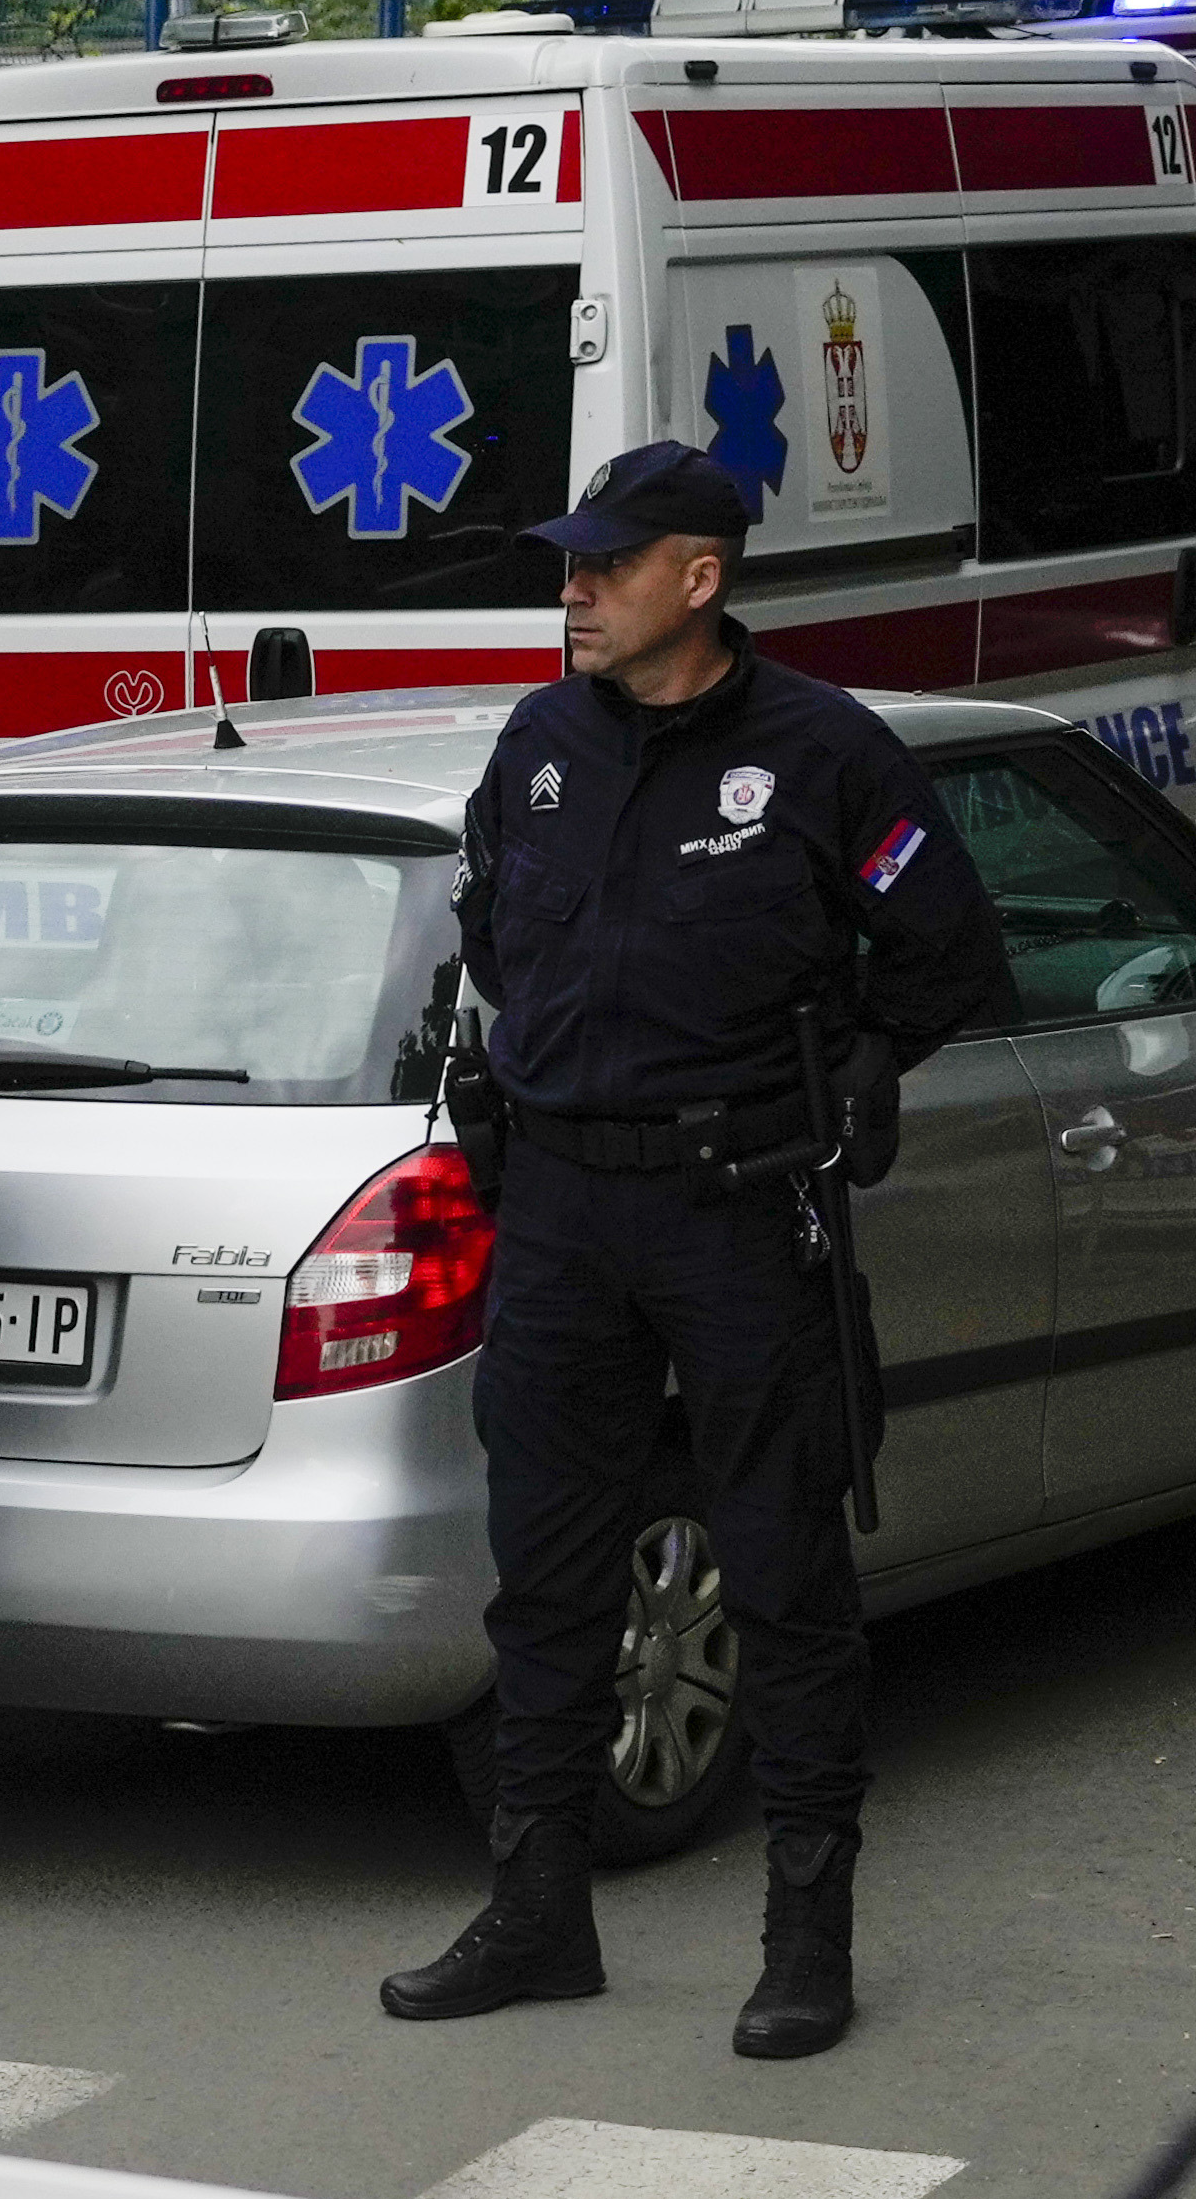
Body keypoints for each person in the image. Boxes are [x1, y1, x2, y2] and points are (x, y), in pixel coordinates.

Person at [380, 441, 1002, 2061]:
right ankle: (536, 1912)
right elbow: (490, 939)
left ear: (697, 580)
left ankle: (805, 1934)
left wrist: (860, 1065)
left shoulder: (818, 753)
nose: (570, 590)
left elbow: (945, 949)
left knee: (782, 1569)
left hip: (735, 1203)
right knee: (546, 1573)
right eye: (565, 564)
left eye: (602, 565)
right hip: (562, 1212)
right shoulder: (536, 745)